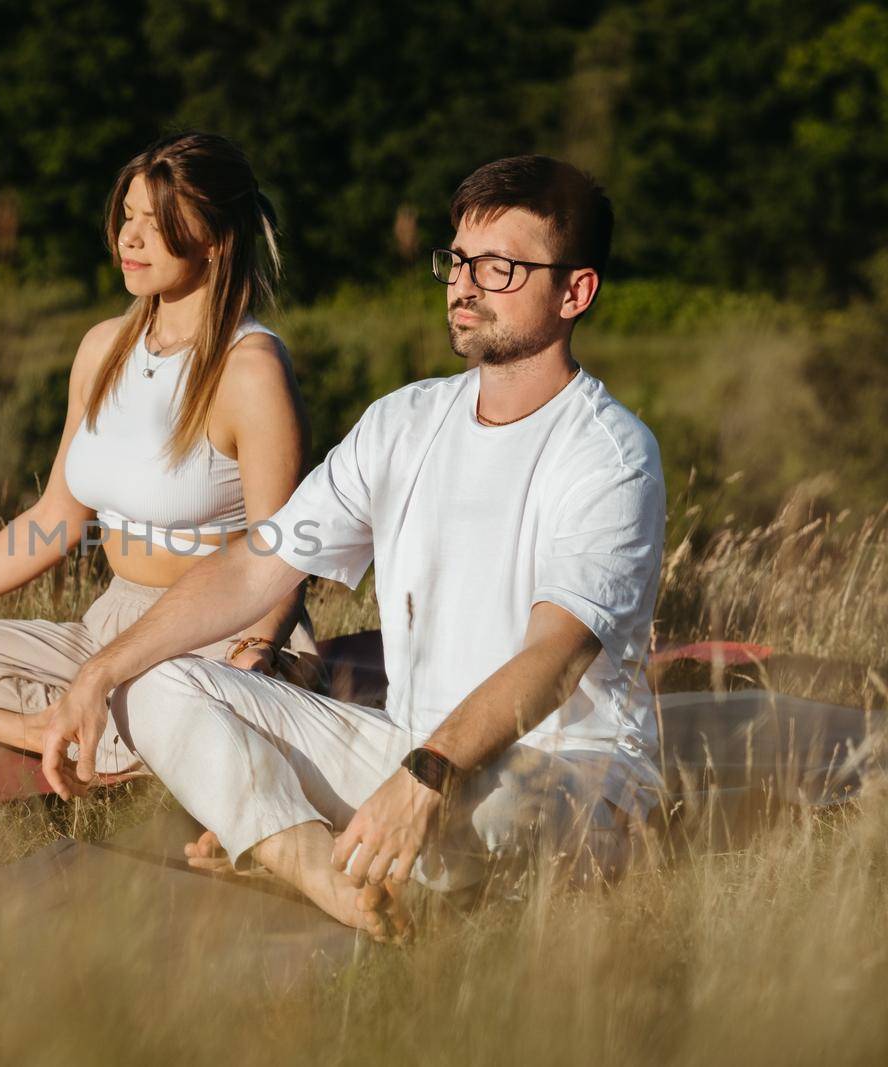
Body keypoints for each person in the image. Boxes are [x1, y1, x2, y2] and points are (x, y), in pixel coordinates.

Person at [35, 155, 667, 940]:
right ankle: (313, 865)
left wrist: (427, 775)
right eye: (459, 260)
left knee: (496, 805)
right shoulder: (404, 421)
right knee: (153, 680)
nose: (465, 285)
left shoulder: (609, 454)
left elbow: (557, 653)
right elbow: (256, 565)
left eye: (500, 267)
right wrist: (99, 673)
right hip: (408, 752)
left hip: (562, 777)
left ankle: (316, 839)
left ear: (575, 291)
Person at [0, 131, 324, 771]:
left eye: (155, 225)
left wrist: (258, 651)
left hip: (219, 639)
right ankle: (80, 726)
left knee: (193, 710)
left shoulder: (251, 369)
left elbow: (283, 559)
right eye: (127, 217)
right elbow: (54, 519)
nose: (128, 239)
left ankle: (95, 727)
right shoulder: (103, 350)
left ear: (215, 239)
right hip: (109, 624)